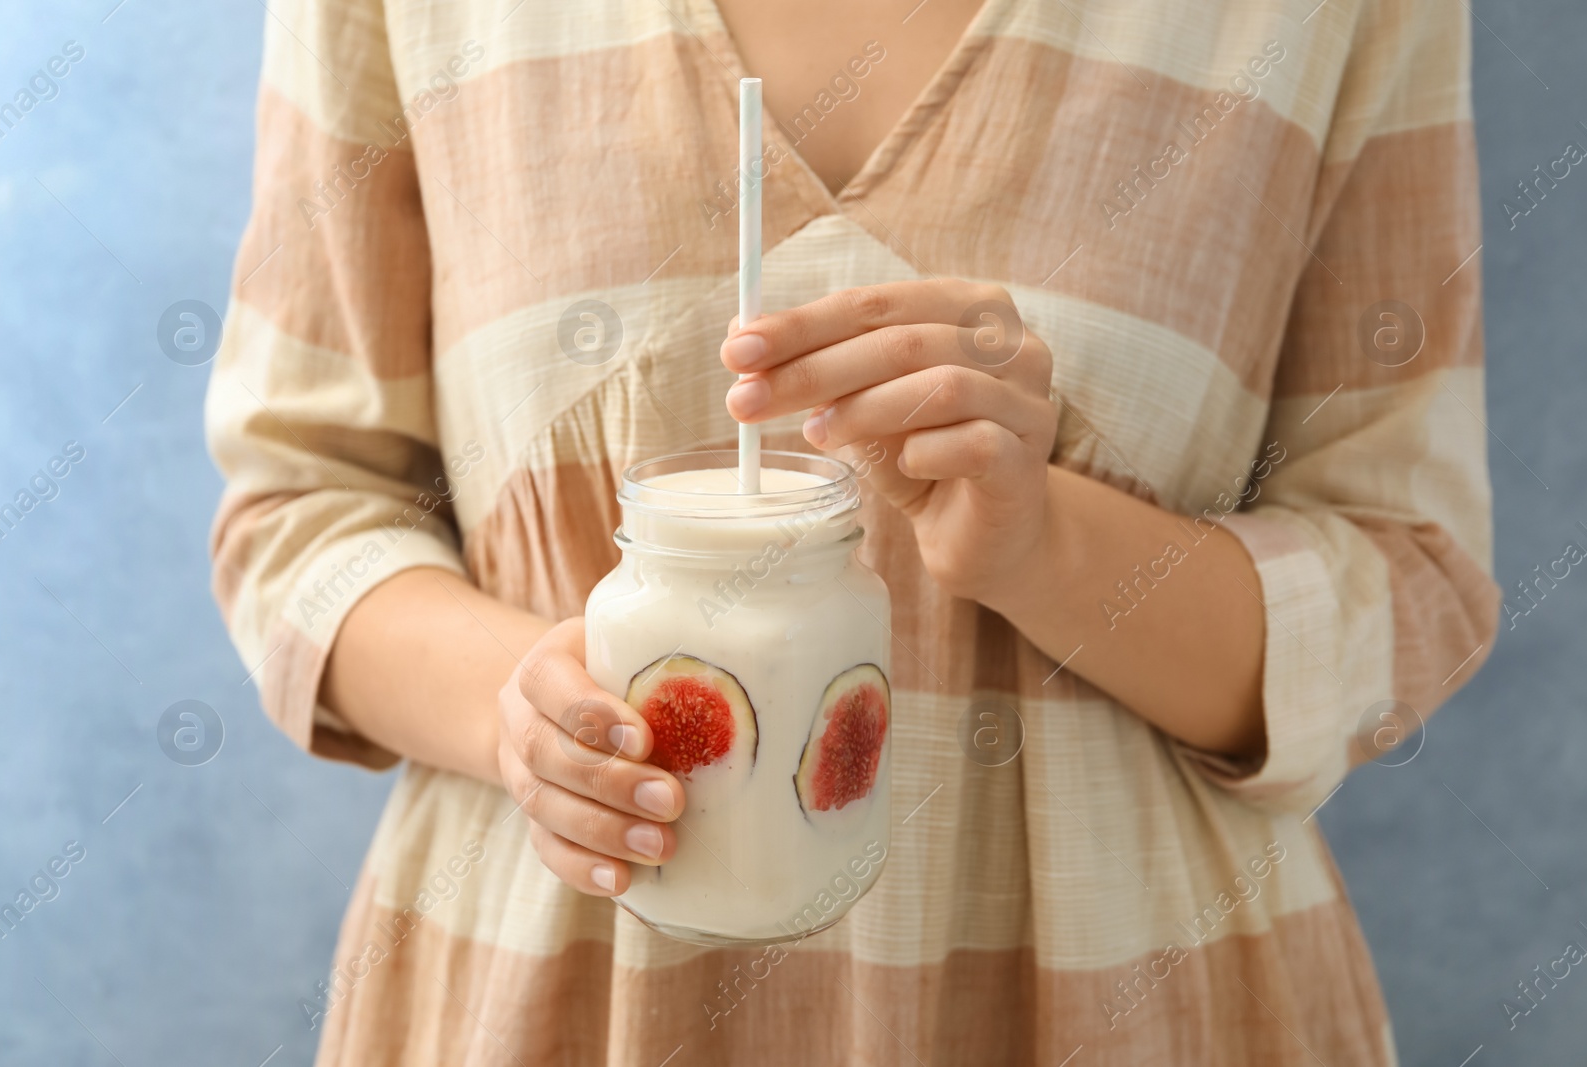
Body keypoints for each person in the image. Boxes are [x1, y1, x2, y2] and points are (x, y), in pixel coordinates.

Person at [207, 0, 1497, 1061]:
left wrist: (1045, 545)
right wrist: (524, 712)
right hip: (544, 1001)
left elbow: (1411, 576)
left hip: (1136, 999)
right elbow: (300, 512)